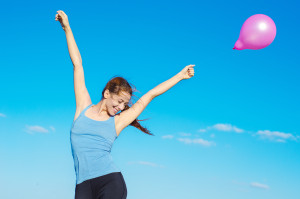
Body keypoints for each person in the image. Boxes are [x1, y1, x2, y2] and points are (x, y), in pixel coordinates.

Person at [55, 10, 195, 199]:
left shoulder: (118, 121)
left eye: (125, 104)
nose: (122, 107)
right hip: (82, 186)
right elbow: (78, 65)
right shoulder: (83, 107)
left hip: (109, 181)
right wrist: (67, 28)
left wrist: (180, 76)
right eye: (120, 101)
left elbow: (149, 95)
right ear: (106, 94)